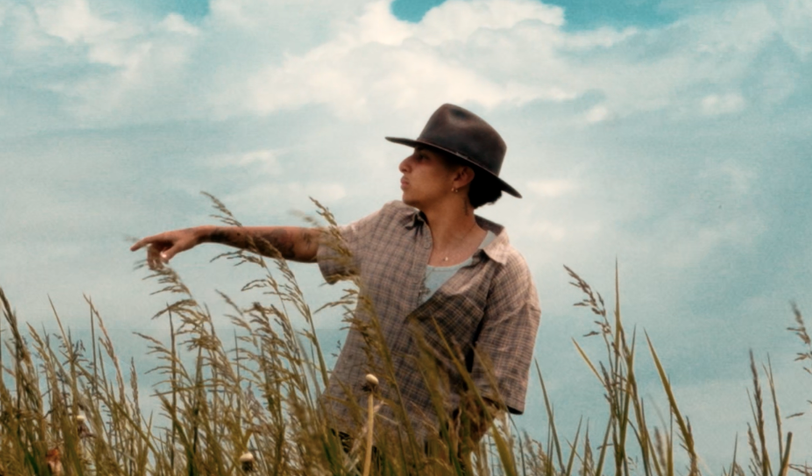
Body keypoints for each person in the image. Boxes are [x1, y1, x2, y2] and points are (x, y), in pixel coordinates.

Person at [130, 104, 541, 446]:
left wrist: (439, 464)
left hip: (422, 462)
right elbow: (310, 243)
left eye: (422, 158)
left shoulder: (505, 272)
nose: (404, 164)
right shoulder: (390, 224)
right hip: (334, 438)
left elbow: (490, 393)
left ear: (460, 176)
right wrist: (206, 233)